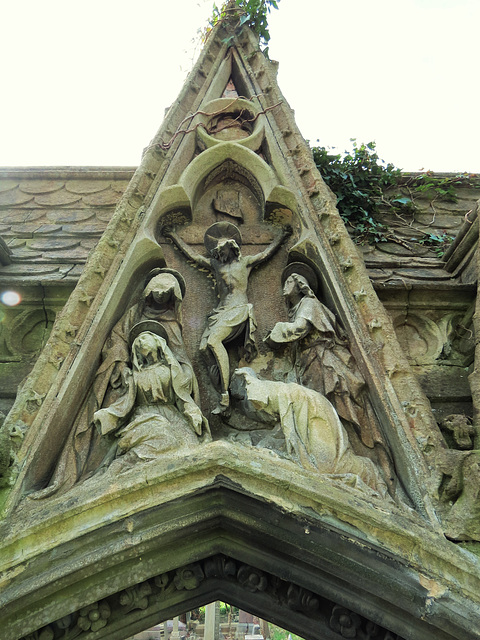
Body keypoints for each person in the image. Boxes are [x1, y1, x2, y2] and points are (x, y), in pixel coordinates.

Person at [265, 263, 395, 492]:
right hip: (310, 363)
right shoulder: (299, 308)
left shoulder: (310, 304)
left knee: (327, 407)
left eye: (288, 282)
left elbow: (299, 329)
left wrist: (275, 333)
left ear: (299, 284)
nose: (284, 287)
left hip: (324, 363)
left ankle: (340, 457)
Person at [163, 221, 290, 415]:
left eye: (220, 251)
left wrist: (282, 237)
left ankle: (224, 395)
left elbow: (265, 255)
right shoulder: (215, 264)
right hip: (221, 311)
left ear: (230, 248)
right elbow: (194, 257)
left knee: (214, 341)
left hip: (238, 309)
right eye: (216, 252)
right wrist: (174, 237)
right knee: (204, 349)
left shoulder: (245, 263)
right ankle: (224, 389)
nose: (218, 254)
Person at [230, 368, 386, 495]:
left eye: (240, 396)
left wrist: (250, 379)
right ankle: (364, 470)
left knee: (326, 467)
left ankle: (367, 470)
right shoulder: (266, 392)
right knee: (320, 464)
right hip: (306, 410)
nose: (245, 401)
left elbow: (261, 398)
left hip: (312, 410)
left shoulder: (255, 387)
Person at [93, 328, 210, 470]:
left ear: (158, 342)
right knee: (161, 434)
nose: (140, 343)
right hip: (144, 416)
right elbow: (126, 401)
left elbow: (182, 397)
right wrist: (107, 415)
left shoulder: (172, 370)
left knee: (190, 447)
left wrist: (193, 413)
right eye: (137, 342)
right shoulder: (134, 376)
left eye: (144, 338)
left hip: (172, 414)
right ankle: (125, 466)